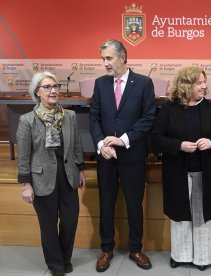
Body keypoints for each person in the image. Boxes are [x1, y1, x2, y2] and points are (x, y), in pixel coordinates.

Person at [152, 66, 211, 271]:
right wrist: (178, 145)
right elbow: (157, 138)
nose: (205, 86)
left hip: (205, 171)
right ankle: (180, 255)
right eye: (199, 83)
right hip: (177, 172)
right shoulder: (169, 109)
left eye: (205, 82)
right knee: (180, 215)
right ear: (186, 85)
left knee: (203, 215)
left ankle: (204, 257)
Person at [89, 39, 156, 272]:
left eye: (109, 58)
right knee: (106, 204)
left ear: (123, 57)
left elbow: (148, 118)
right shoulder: (100, 84)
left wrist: (123, 139)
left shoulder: (144, 83)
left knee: (134, 205)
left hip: (132, 155)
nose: (105, 63)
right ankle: (106, 249)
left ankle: (136, 249)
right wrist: (100, 145)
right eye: (103, 59)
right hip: (106, 156)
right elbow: (94, 118)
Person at [17, 71, 86, 276]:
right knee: (48, 225)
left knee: (70, 220)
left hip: (68, 175)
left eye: (55, 86)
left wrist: (80, 169)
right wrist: (26, 184)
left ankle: (65, 258)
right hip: (41, 178)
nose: (53, 90)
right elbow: (24, 155)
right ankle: (56, 264)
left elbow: (76, 145)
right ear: (37, 92)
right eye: (47, 87)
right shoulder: (27, 120)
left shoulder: (70, 116)